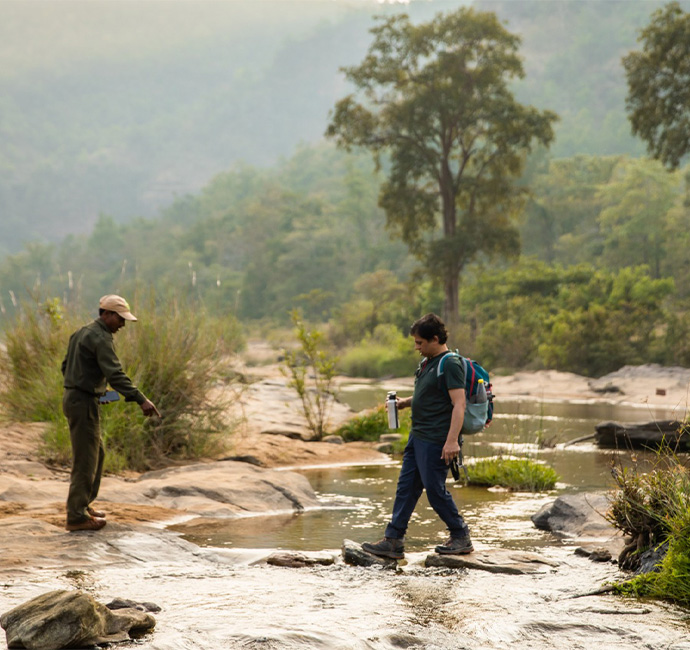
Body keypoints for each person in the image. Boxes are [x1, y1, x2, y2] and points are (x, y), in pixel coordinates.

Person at [362, 313, 473, 559]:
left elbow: (459, 404)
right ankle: (393, 541)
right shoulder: (427, 363)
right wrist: (404, 403)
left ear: (435, 339)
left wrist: (452, 440)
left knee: (434, 490)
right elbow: (431, 396)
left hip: (437, 439)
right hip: (418, 436)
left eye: (420, 343)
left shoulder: (450, 364)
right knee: (406, 488)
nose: (416, 347)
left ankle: (461, 535)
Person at [61, 294, 160, 532]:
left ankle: (83, 505)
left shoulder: (81, 332)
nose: (123, 324)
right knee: (86, 461)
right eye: (120, 319)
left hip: (79, 398)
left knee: (97, 454)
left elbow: (66, 366)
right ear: (107, 314)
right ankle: (76, 517)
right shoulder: (100, 338)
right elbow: (115, 374)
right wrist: (141, 399)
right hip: (82, 403)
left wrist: (94, 389)